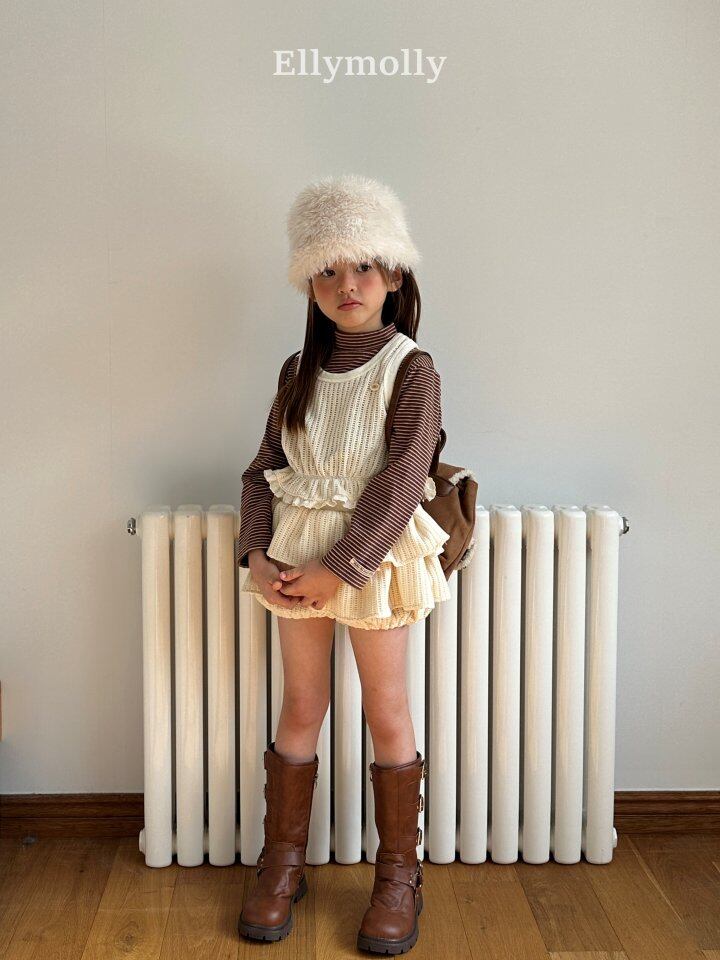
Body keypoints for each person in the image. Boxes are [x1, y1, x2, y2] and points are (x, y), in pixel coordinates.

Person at [235, 174, 450, 954]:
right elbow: (263, 469)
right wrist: (258, 554)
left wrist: (342, 565)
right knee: (302, 705)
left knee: (386, 711)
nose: (346, 284)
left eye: (362, 266)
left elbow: (402, 478)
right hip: (295, 560)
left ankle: (399, 876)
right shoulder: (297, 371)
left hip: (371, 560)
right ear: (309, 284)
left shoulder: (411, 368)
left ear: (393, 274)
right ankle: (283, 864)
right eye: (326, 270)